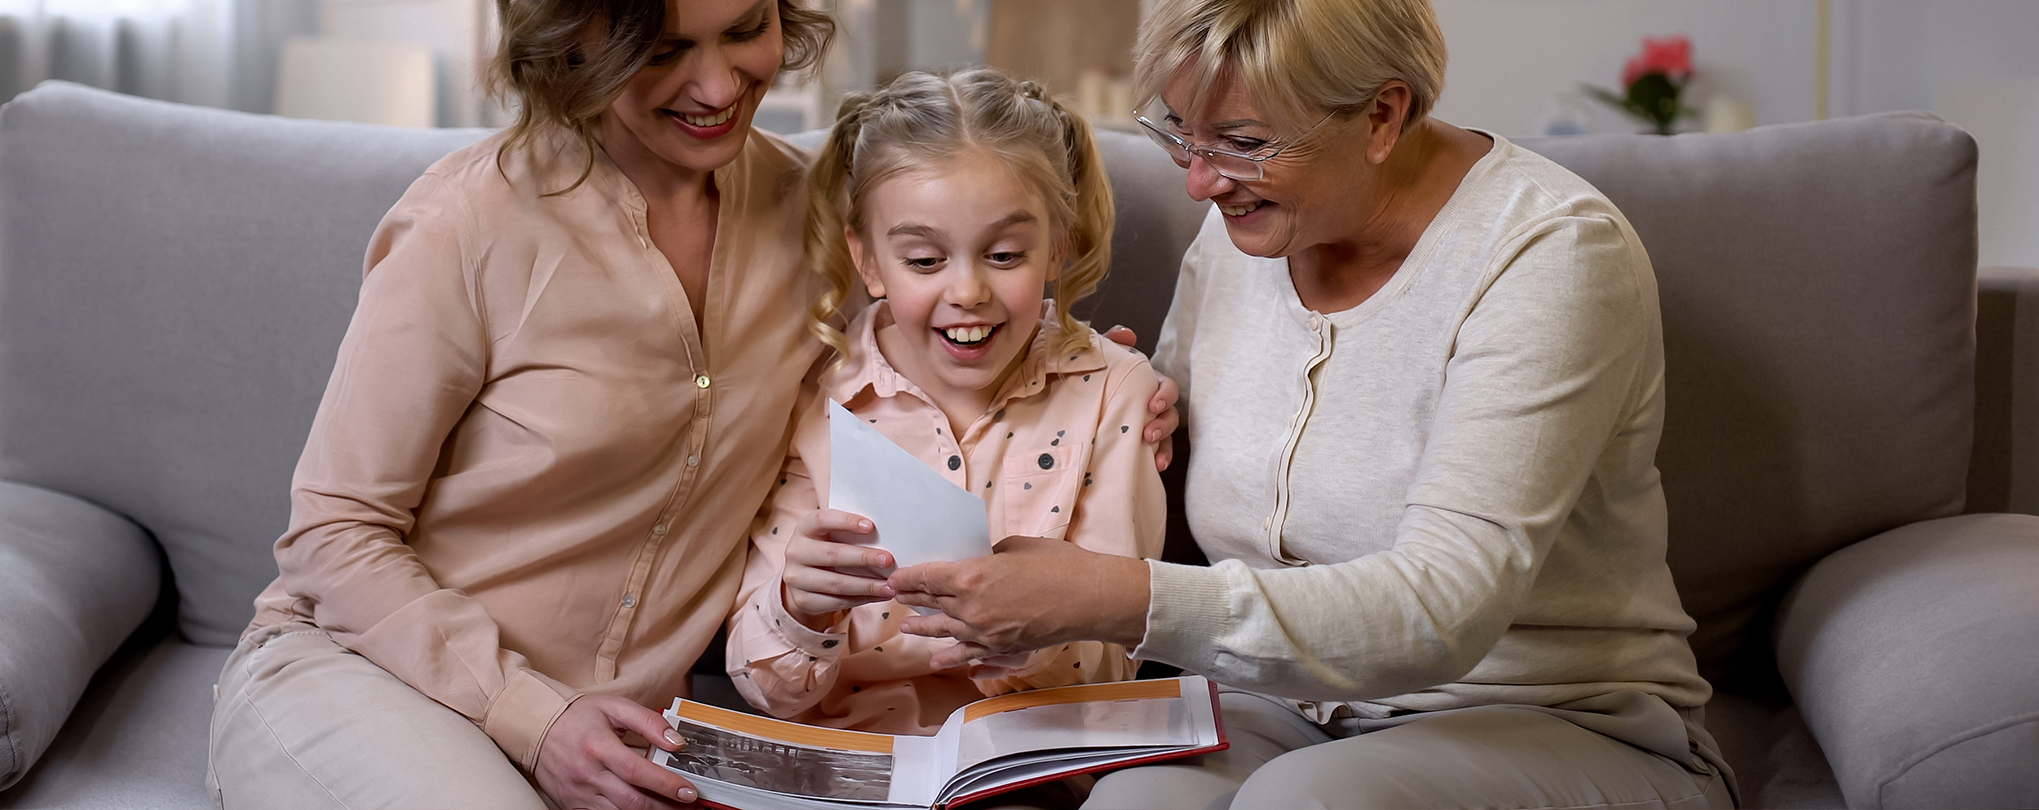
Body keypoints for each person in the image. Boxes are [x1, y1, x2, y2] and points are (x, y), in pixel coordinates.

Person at [204, 2, 1179, 807]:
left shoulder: (817, 220)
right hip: (373, 678)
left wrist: (1090, 380)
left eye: (744, 27)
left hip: (635, 744)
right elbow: (332, 533)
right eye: (666, 49)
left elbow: (948, 319)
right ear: (576, 38)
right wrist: (533, 717)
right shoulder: (467, 224)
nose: (719, 88)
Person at [888, 1, 1740, 807]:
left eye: (1243, 141)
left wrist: (1112, 597)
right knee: (1135, 799)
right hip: (1286, 707)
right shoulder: (1249, 230)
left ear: (1381, 116)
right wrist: (1113, 410)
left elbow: (1441, 610)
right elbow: (1170, 459)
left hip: (1551, 714)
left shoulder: (1549, 254)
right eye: (1182, 131)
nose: (1199, 183)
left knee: (1307, 803)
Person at [727, 69, 1166, 737]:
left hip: (1028, 763)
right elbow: (765, 686)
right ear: (869, 263)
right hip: (855, 764)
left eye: (1004, 254)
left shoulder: (1112, 391)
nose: (967, 290)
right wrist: (799, 607)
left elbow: (1112, 663)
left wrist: (1033, 638)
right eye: (924, 261)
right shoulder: (817, 397)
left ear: (1059, 245)